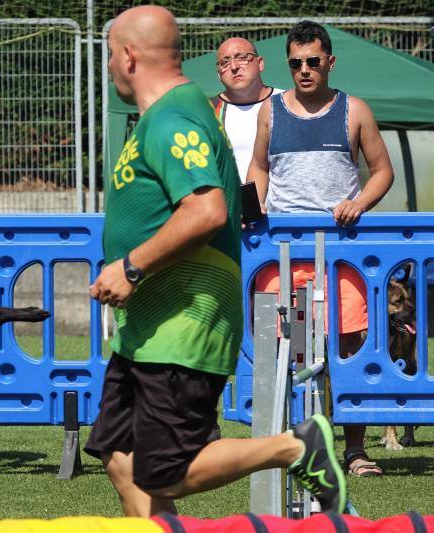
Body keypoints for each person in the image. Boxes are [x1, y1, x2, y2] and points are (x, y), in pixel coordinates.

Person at [86, 6, 347, 517]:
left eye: (112, 57)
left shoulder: (172, 118)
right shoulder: (171, 113)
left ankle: (295, 447)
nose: (112, 69)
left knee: (164, 470)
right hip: (148, 324)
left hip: (182, 321)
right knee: (120, 456)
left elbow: (206, 210)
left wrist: (131, 267)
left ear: (128, 56)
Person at [248, 20, 394, 477]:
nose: (305, 70)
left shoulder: (355, 110)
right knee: (282, 353)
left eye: (313, 61)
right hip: (282, 251)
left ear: (330, 61)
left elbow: (383, 171)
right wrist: (253, 207)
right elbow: (257, 167)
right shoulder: (269, 110)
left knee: (349, 347)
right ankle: (291, 446)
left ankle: (355, 451)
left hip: (342, 251)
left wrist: (358, 203)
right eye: (296, 63)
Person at [213, 37, 283, 183]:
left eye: (242, 58)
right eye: (224, 62)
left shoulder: (288, 103)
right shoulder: (208, 112)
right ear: (218, 74)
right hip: (231, 203)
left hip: (283, 204)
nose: (234, 66)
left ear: (260, 63)